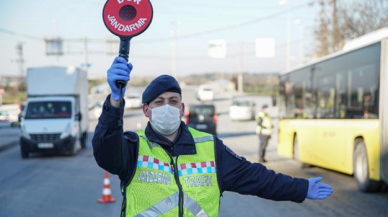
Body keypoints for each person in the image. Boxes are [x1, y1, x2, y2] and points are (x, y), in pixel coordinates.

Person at [93, 57, 333, 217]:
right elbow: (104, 152)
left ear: (182, 108)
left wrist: (299, 188)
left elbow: (257, 178)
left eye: (173, 101)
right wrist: (115, 100)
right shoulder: (133, 148)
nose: (167, 106)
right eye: (159, 102)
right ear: (146, 110)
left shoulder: (209, 147)